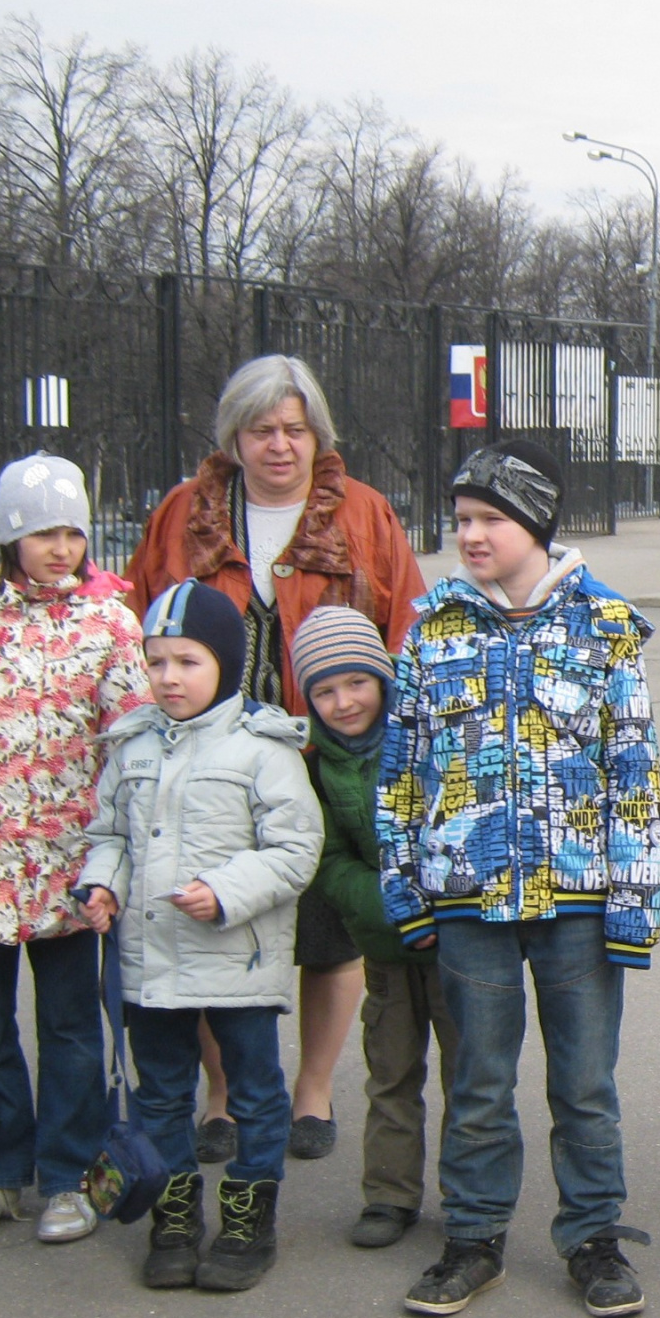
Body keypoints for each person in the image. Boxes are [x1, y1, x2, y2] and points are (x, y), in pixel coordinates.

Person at [378, 440, 660, 1318]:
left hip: (579, 909)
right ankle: (473, 1237)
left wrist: (635, 902)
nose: (469, 535)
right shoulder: (433, 631)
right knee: (479, 1083)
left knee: (584, 1083)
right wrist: (406, 888)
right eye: (461, 519)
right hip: (468, 902)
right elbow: (400, 773)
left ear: (535, 524)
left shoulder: (605, 626)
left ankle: (592, 1236)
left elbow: (635, 771)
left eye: (489, 519)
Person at [125, 354, 425, 1168]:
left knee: (328, 932)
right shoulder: (184, 514)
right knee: (211, 925)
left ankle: (313, 1089)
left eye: (294, 429)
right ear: (235, 437)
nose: (279, 446)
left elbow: (405, 627)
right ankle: (220, 1096)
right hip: (207, 761)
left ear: (316, 434)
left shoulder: (363, 514)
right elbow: (137, 618)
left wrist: (385, 741)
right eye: (262, 430)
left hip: (325, 757)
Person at [0, 454, 149, 1244]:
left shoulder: (110, 621)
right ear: (9, 535)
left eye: (72, 532)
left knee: (72, 1024)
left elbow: (134, 737)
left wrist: (127, 851)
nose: (60, 548)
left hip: (68, 864)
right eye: (42, 532)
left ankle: (67, 1173)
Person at [76, 581, 324, 1292]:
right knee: (160, 1092)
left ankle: (249, 1217)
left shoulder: (262, 747)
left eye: (187, 661)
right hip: (150, 963)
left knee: (253, 1088)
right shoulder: (131, 745)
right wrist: (103, 885)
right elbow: (110, 836)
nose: (169, 678)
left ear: (226, 663)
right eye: (156, 662)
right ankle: (174, 1215)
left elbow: (294, 847)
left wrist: (224, 891)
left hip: (234, 959)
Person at [288, 606, 460, 1251]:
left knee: (468, 1074)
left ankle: (470, 1195)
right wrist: (390, 902)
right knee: (391, 1073)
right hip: (385, 947)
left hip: (451, 941)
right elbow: (326, 859)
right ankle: (389, 1196)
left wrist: (435, 899)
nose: (343, 702)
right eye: (325, 691)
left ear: (384, 680)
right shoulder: (313, 768)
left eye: (356, 683)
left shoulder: (424, 740)